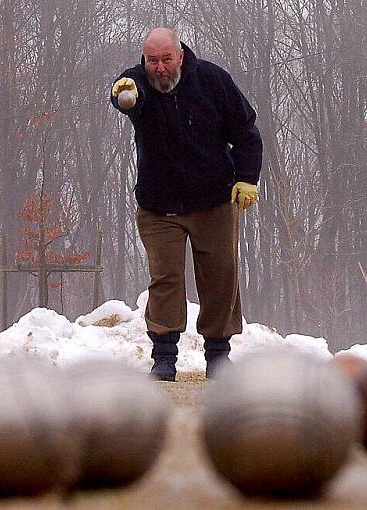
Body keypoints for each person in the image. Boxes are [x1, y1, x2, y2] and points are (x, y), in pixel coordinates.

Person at [110, 27, 263, 382]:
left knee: (221, 277)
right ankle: (164, 357)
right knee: (165, 278)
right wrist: (122, 92)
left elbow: (245, 130)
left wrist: (247, 177)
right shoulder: (138, 85)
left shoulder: (213, 81)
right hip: (159, 206)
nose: (160, 68)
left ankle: (218, 355)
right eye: (152, 61)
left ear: (180, 55)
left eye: (166, 59)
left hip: (213, 202)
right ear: (144, 60)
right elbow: (125, 93)